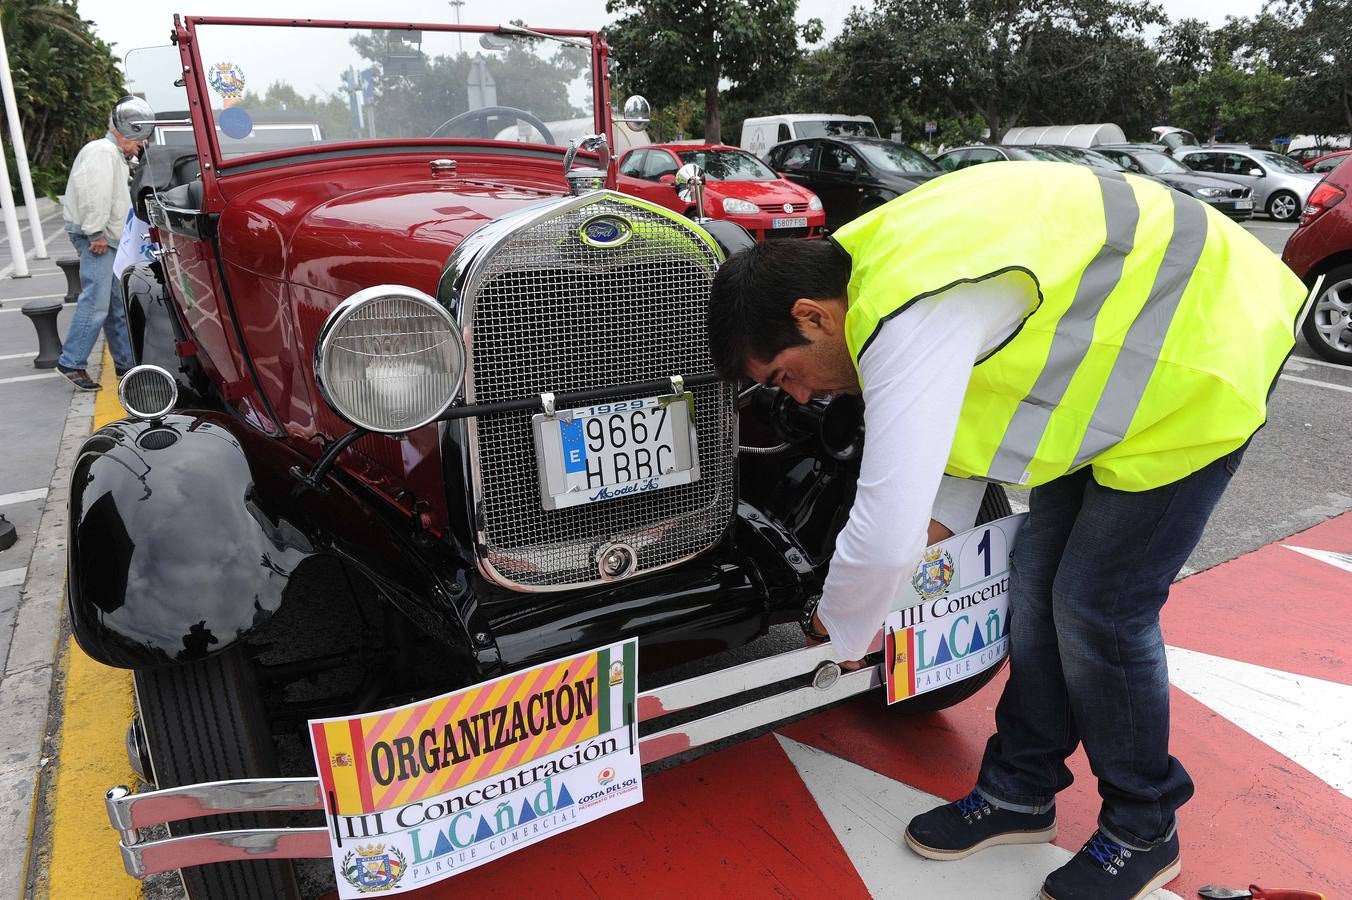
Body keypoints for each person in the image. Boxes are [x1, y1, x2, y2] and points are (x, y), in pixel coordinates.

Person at [706, 161, 1307, 900]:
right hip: (1110, 380)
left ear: (812, 316)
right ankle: (1021, 791)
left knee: (1097, 607)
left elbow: (887, 523)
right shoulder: (866, 274)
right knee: (1038, 588)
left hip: (1206, 355)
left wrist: (836, 624)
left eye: (783, 375)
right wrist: (907, 563)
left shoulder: (906, 314)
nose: (796, 394)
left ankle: (1144, 825)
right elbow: (940, 479)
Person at [55, 114, 142, 391]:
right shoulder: (102, 151)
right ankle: (72, 361)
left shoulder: (112, 154)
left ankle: (126, 364)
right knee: (96, 302)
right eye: (138, 139)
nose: (141, 145)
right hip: (98, 237)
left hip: (107, 237)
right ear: (123, 133)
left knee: (117, 304)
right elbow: (95, 194)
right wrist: (96, 233)